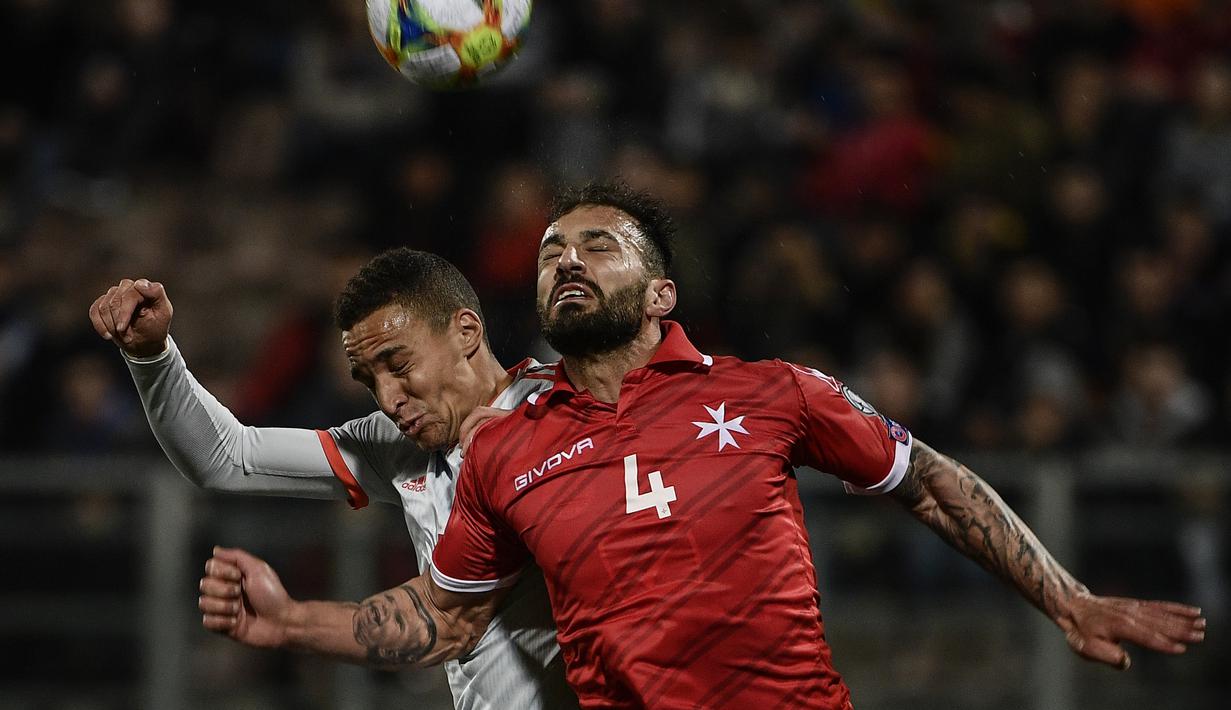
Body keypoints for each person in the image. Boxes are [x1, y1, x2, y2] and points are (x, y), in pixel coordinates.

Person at [200, 182, 1206, 709]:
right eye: (552, 251)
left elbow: (931, 483)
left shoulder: (773, 393)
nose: (568, 260)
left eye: (599, 245)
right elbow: (442, 618)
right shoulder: (505, 450)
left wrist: (1062, 593)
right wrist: (292, 625)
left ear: (661, 292)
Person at [87, 249, 579, 709]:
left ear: (466, 332)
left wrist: (291, 622)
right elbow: (226, 457)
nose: (388, 398)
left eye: (399, 364)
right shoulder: (394, 444)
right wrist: (153, 357)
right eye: (368, 379)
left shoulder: (570, 417)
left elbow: (451, 622)